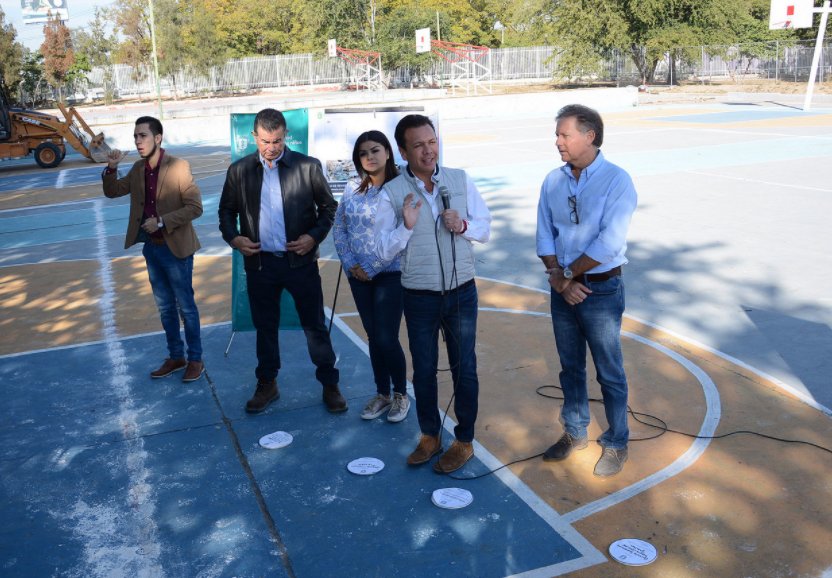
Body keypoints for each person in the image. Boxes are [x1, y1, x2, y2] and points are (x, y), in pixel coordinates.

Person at [375, 114, 492, 473]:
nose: (428, 151)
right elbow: (381, 251)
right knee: (423, 370)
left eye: (432, 141)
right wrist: (405, 229)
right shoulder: (392, 192)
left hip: (461, 292)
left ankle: (464, 439)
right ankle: (430, 435)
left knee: (464, 369)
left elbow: (485, 228)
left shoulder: (458, 179)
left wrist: (465, 225)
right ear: (403, 151)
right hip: (419, 295)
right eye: (418, 145)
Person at [218, 108, 344, 414]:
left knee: (314, 326)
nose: (271, 147)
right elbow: (225, 213)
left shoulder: (308, 167)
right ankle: (267, 384)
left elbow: (329, 208)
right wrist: (234, 239)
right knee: (265, 327)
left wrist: (313, 236)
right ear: (254, 137)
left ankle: (330, 384)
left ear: (286, 134)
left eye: (276, 140)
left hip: (300, 264)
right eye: (264, 141)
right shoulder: (239, 170)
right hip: (261, 266)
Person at [536, 104, 638, 478]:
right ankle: (576, 432)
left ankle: (616, 440)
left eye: (565, 135)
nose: (558, 141)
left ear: (589, 136)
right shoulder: (553, 180)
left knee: (609, 370)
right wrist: (559, 279)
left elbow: (610, 241)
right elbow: (544, 232)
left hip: (601, 291)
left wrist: (566, 275)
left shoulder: (616, 180)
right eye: (558, 135)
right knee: (570, 367)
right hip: (562, 289)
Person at [102, 116, 205, 382]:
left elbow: (195, 208)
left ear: (158, 138)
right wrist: (112, 168)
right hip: (152, 249)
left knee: (186, 308)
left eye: (143, 136)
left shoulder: (179, 167)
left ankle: (195, 360)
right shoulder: (137, 169)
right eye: (136, 136)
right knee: (165, 308)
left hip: (176, 250)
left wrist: (160, 221)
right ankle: (176, 356)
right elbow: (113, 192)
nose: (138, 141)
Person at [333, 131, 410, 423]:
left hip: (390, 274)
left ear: (388, 152)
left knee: (387, 337)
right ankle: (383, 393)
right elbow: (339, 227)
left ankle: (401, 395)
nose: (370, 157)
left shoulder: (402, 188)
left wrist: (372, 266)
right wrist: (352, 264)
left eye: (375, 150)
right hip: (358, 276)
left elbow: (404, 234)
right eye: (363, 153)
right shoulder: (352, 188)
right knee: (373, 337)